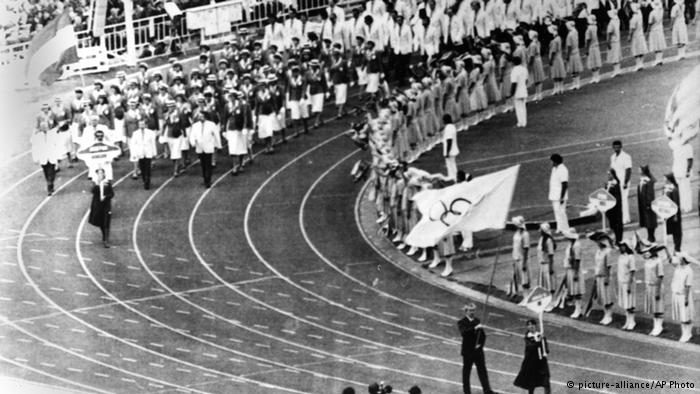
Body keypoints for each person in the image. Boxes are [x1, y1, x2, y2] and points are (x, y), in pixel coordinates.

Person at [458, 303, 496, 394]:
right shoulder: (462, 322)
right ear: (466, 311)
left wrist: (480, 345)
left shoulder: (477, 321)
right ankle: (467, 392)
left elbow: (483, 335)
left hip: (478, 351)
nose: (472, 312)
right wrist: (475, 328)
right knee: (466, 373)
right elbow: (464, 333)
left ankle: (487, 390)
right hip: (468, 351)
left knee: (482, 371)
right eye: (470, 310)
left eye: (473, 310)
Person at [513, 319, 551, 394]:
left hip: (541, 361)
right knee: (532, 382)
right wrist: (538, 341)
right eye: (529, 325)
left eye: (532, 324)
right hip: (531, 362)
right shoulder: (528, 337)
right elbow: (530, 347)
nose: (531, 326)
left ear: (535, 326)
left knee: (546, 380)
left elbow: (545, 349)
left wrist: (544, 347)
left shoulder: (540, 335)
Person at [639, 240, 667, 335]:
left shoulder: (658, 261)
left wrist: (657, 292)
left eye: (649, 251)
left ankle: (659, 327)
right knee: (653, 308)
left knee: (658, 308)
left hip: (656, 287)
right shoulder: (648, 260)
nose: (647, 253)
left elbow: (660, 276)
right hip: (649, 286)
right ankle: (656, 326)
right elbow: (640, 252)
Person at [31, 120, 62, 196]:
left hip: (52, 157)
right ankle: (50, 184)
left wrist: (59, 156)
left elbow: (57, 145)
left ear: (48, 127)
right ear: (41, 128)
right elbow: (34, 147)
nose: (45, 128)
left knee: (52, 172)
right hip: (43, 158)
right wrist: (35, 158)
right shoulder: (37, 136)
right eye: (43, 127)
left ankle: (49, 184)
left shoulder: (52, 134)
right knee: (46, 172)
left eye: (46, 127)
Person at [669, 252, 696, 342]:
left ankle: (687, 333)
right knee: (681, 316)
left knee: (686, 316)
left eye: (680, 258)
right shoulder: (678, 267)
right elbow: (670, 260)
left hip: (684, 295)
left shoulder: (689, 271)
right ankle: (684, 333)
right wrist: (666, 249)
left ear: (684, 260)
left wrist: (686, 299)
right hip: (676, 294)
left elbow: (688, 286)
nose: (678, 260)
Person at [589, 231, 614, 325]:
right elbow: (597, 264)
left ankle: (609, 315)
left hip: (605, 277)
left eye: (599, 241)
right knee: (602, 297)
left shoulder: (607, 252)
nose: (597, 243)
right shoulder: (598, 251)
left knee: (607, 297)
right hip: (599, 276)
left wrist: (607, 278)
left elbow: (608, 266)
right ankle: (605, 314)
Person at [189, 111, 218, 188]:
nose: (200, 118)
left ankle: (208, 180)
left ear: (205, 116)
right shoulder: (195, 125)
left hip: (208, 147)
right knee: (203, 164)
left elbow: (216, 135)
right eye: (199, 116)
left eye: (201, 116)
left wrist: (218, 145)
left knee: (208, 164)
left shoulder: (211, 124)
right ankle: (205, 178)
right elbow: (192, 135)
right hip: (200, 147)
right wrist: (193, 143)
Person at [88, 168, 114, 248]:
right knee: (101, 222)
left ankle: (106, 240)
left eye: (101, 173)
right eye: (98, 173)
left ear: (104, 174)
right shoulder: (95, 184)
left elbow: (112, 194)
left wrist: (106, 197)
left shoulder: (107, 183)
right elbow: (92, 191)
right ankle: (104, 235)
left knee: (106, 222)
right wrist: (97, 184)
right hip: (98, 206)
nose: (100, 175)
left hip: (106, 205)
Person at [563, 228, 584, 318]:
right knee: (573, 290)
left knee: (577, 290)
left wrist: (575, 273)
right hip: (570, 269)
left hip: (575, 269)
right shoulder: (570, 245)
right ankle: (577, 307)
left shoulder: (577, 245)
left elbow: (577, 260)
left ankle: (578, 309)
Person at [130, 119, 157, 190]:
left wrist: (154, 153)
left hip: (148, 153)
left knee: (147, 168)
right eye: (140, 124)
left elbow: (153, 143)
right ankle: (144, 180)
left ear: (145, 125)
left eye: (142, 124)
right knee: (142, 168)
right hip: (140, 153)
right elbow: (133, 144)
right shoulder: (135, 133)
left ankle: (147, 182)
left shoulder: (150, 133)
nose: (141, 126)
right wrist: (134, 154)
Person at [669, 137, 694, 213]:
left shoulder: (688, 147)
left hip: (685, 171)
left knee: (686, 189)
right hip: (677, 170)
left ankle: (688, 207)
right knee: (680, 189)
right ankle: (682, 205)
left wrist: (688, 171)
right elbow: (670, 139)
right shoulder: (676, 146)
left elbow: (690, 160)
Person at [617, 238, 637, 330]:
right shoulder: (621, 256)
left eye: (623, 246)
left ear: (627, 247)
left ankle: (632, 321)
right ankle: (627, 321)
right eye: (620, 246)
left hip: (629, 282)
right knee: (625, 303)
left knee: (630, 303)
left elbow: (632, 271)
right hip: (622, 282)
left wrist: (629, 285)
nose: (621, 247)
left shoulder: (631, 257)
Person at [510, 216, 531, 299]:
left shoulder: (525, 234)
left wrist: (524, 263)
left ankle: (526, 297)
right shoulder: (517, 233)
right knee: (519, 278)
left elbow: (526, 248)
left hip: (522, 259)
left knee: (524, 279)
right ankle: (524, 297)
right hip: (516, 258)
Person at [537, 223, 557, 309]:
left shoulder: (549, 241)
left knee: (549, 285)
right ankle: (545, 302)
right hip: (542, 264)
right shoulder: (542, 239)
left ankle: (551, 303)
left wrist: (551, 267)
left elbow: (551, 255)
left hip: (547, 264)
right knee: (543, 285)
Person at [548, 154, 569, 233]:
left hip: (559, 196)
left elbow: (564, 184)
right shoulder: (554, 169)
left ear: (555, 161)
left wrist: (562, 197)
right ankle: (559, 228)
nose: (551, 163)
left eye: (552, 161)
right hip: (554, 195)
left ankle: (565, 228)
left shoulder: (563, 170)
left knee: (561, 212)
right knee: (557, 212)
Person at [637, 165, 657, 242]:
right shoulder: (642, 180)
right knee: (647, 221)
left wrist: (649, 204)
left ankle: (651, 236)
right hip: (643, 204)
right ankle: (649, 236)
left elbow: (650, 194)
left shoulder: (648, 181)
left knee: (650, 221)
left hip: (648, 205)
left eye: (640, 169)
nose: (638, 171)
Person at [663, 173, 683, 252]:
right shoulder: (666, 188)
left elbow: (676, 203)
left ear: (669, 179)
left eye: (665, 178)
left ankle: (677, 248)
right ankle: (676, 247)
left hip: (674, 213)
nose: (663, 180)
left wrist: (675, 215)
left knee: (677, 231)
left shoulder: (674, 189)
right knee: (673, 230)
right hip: (669, 214)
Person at [604, 170, 623, 243]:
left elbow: (617, 197)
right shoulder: (607, 184)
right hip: (609, 209)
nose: (608, 176)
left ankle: (619, 239)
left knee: (617, 224)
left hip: (615, 208)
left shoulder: (616, 184)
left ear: (613, 175)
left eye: (609, 174)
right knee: (612, 224)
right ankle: (616, 238)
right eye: (607, 174)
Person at [509, 56, 528, 128]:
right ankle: (524, 122)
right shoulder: (524, 69)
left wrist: (511, 93)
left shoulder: (514, 70)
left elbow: (514, 83)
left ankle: (520, 122)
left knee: (518, 107)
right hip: (524, 89)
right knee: (523, 107)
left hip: (518, 91)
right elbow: (526, 80)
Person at [629, 3, 648, 71]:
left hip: (636, 36)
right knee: (641, 50)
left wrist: (629, 36)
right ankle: (641, 63)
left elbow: (632, 29)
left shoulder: (634, 18)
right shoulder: (640, 16)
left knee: (636, 51)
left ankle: (638, 64)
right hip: (640, 34)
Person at [647, 0, 666, 66]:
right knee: (659, 44)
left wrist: (647, 32)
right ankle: (660, 59)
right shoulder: (661, 11)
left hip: (654, 30)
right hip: (660, 29)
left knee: (655, 45)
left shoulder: (652, 13)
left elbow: (650, 23)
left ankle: (658, 60)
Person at [585, 15, 602, 83]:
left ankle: (595, 77)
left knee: (592, 63)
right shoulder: (595, 26)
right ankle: (596, 76)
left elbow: (588, 40)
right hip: (596, 45)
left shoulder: (589, 29)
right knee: (596, 61)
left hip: (591, 47)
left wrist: (586, 49)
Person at [442, 114, 459, 181]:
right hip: (453, 149)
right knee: (453, 165)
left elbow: (449, 140)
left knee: (450, 166)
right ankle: (455, 178)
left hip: (450, 150)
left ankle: (453, 178)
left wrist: (447, 152)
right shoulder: (452, 126)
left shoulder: (448, 128)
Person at [606, 10, 622, 77]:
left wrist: (608, 42)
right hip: (617, 40)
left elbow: (609, 33)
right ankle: (618, 70)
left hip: (613, 41)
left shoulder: (611, 23)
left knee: (614, 56)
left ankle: (616, 71)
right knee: (617, 55)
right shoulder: (617, 20)